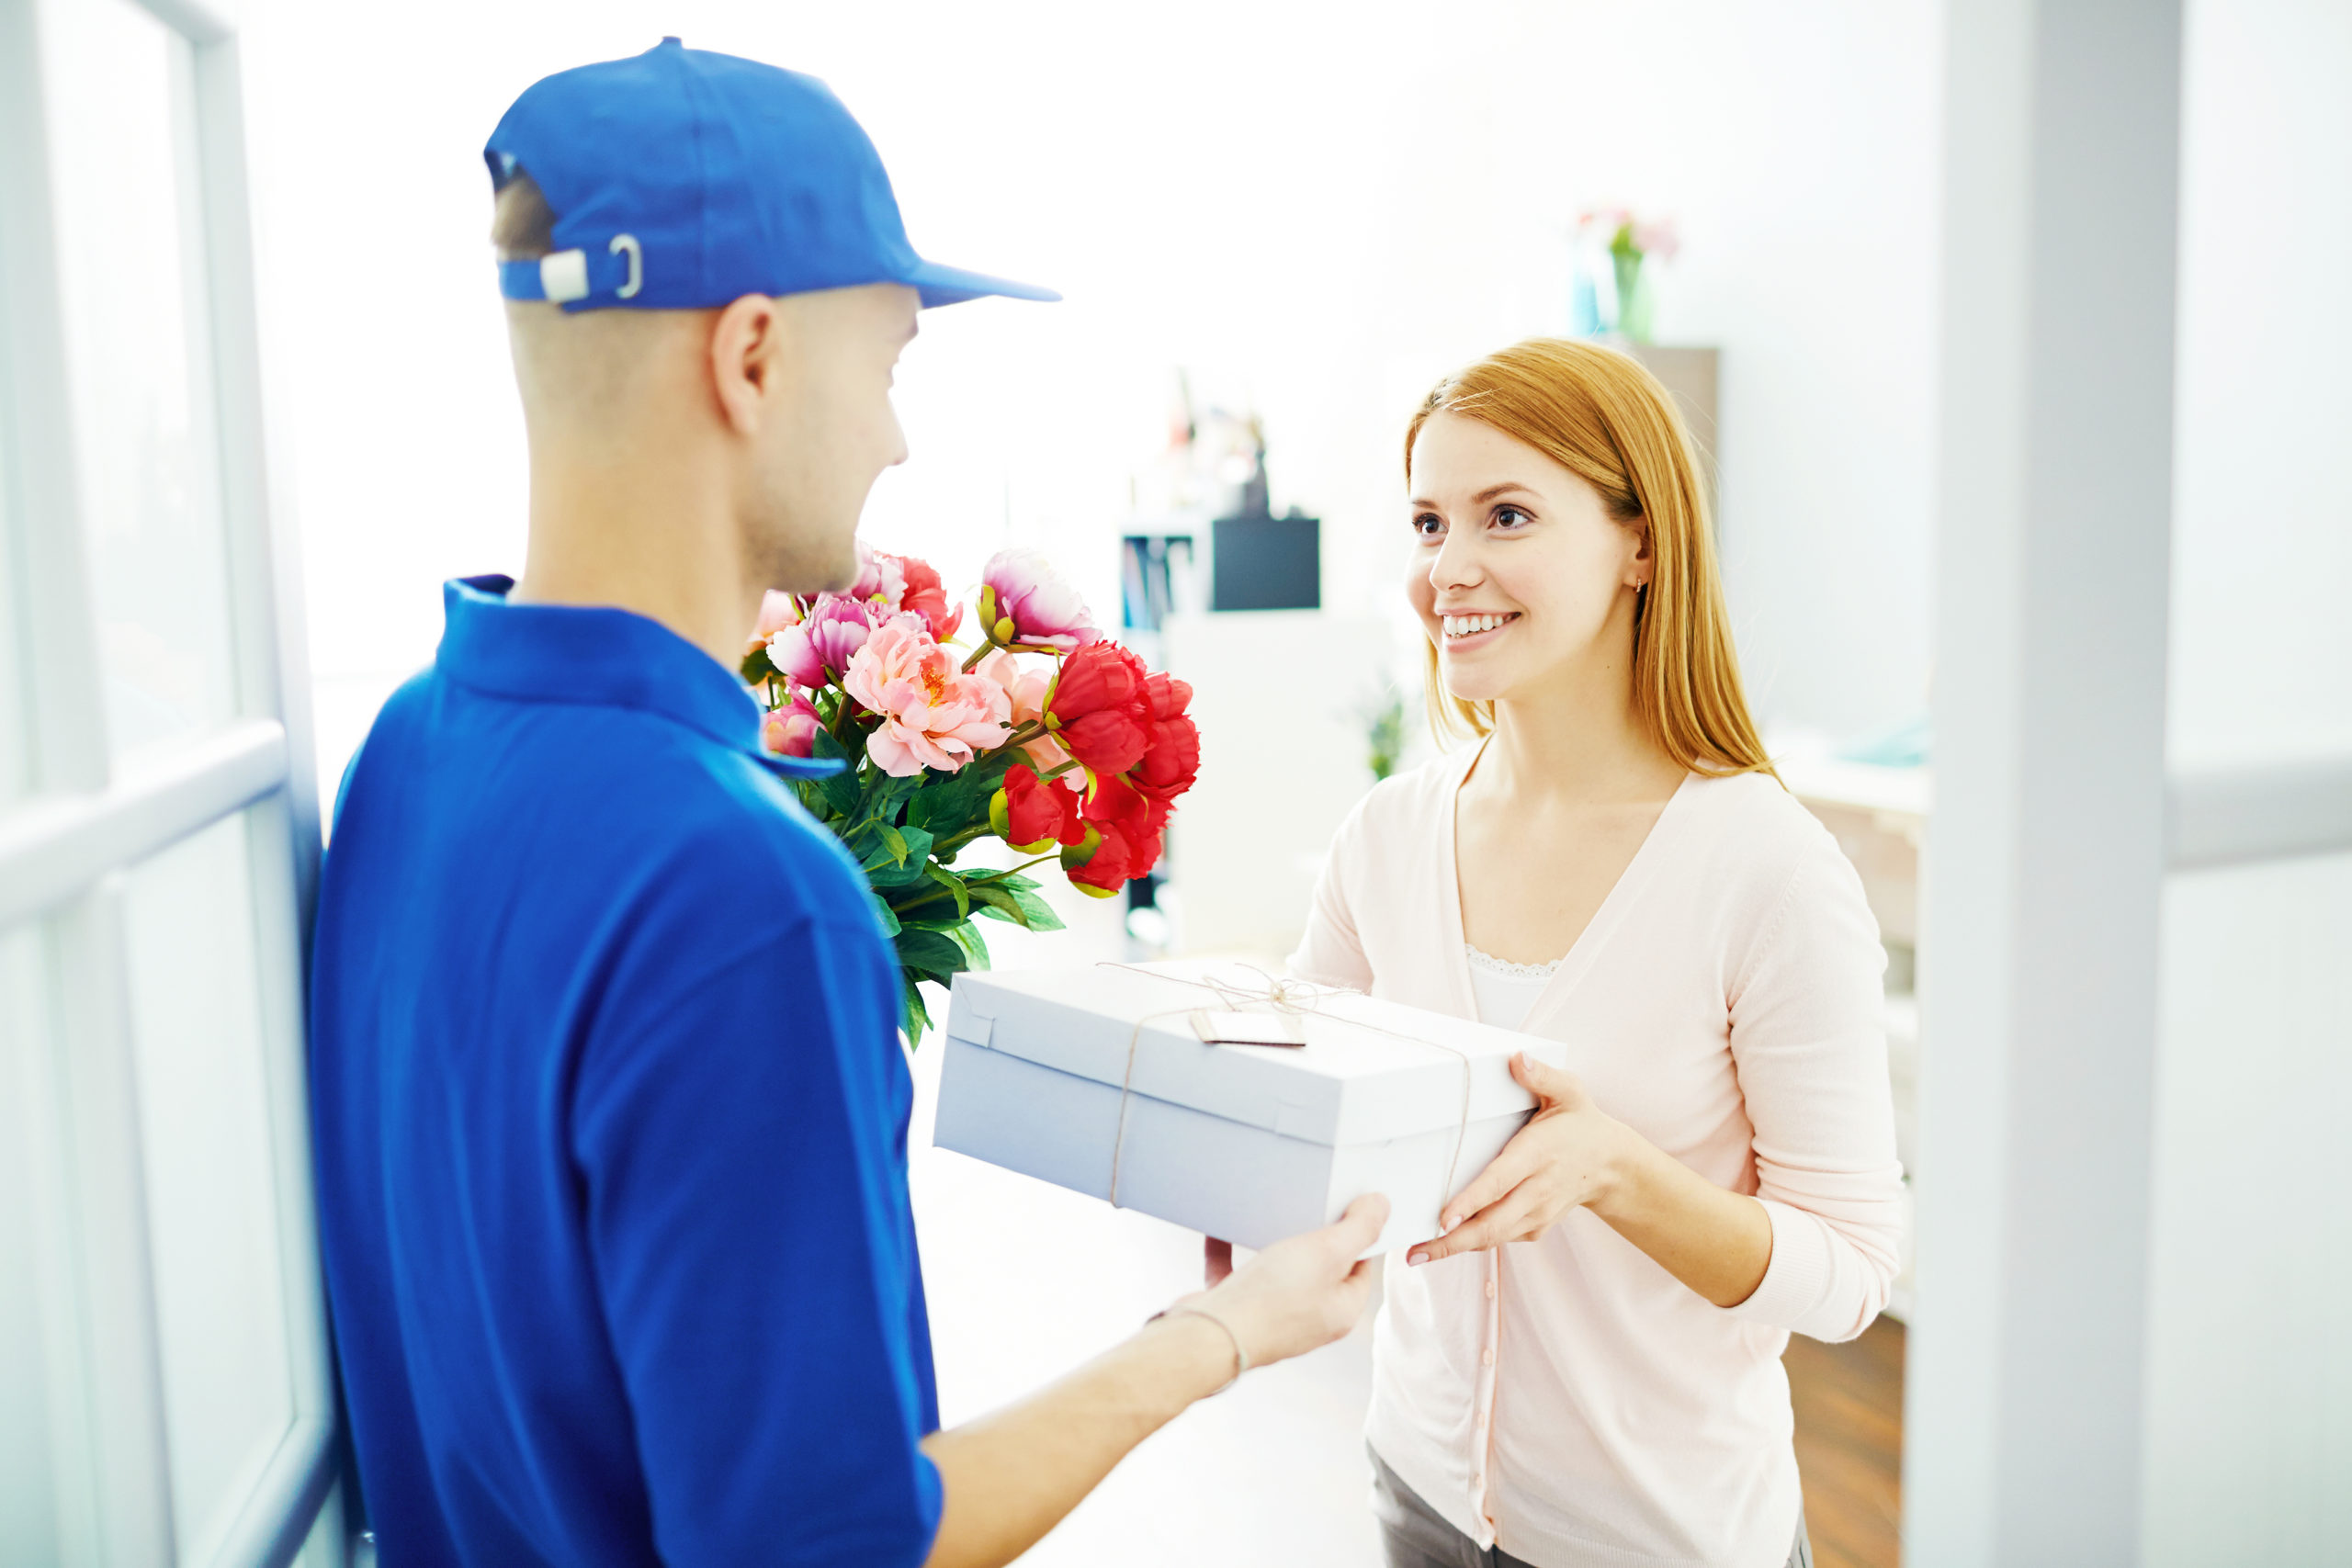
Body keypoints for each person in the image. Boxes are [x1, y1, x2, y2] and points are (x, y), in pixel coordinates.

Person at [307, 39, 1385, 1568]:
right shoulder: (739, 893)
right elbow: (833, 1546)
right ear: (750, 357)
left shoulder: (408, 751)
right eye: (885, 364)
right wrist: (1214, 1334)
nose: (897, 437)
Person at [1279, 339, 1903, 1568]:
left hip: (1661, 1536)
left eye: (1505, 515)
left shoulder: (1767, 870)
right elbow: (1306, 1118)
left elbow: (1850, 1273)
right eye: (1426, 521)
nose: (1448, 569)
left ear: (1643, 546)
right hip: (1417, 1491)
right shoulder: (1387, 836)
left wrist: (1618, 1173)